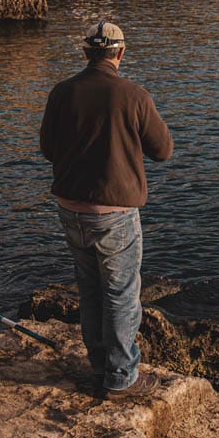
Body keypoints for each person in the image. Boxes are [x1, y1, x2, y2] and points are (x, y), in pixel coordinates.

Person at [39, 20, 173, 398]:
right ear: (120, 53)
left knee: (90, 289)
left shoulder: (61, 93)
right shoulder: (133, 95)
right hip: (114, 215)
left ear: (86, 53)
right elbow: (163, 150)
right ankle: (120, 376)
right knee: (121, 293)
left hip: (69, 210)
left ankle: (98, 365)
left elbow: (48, 149)